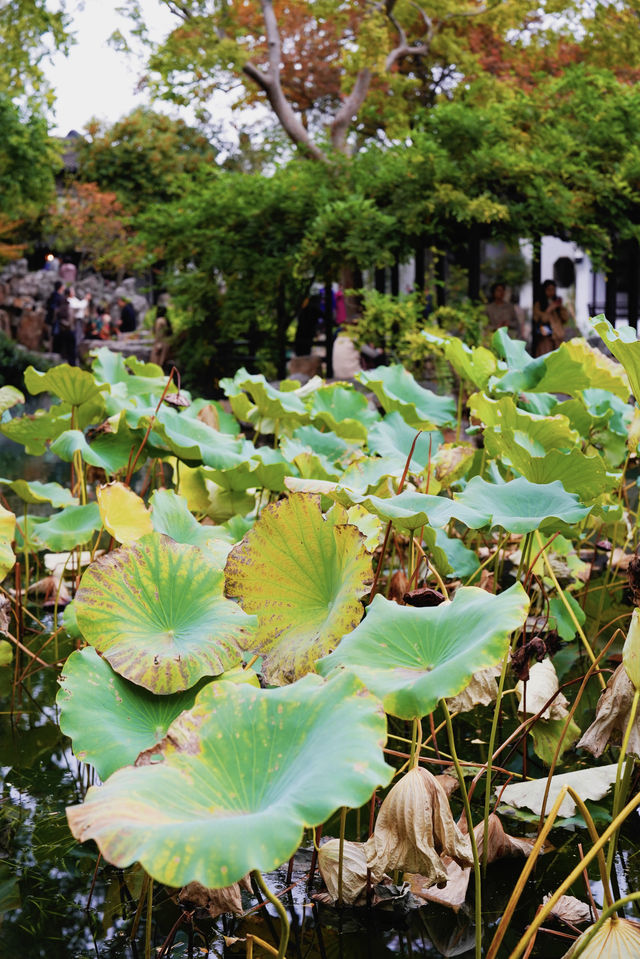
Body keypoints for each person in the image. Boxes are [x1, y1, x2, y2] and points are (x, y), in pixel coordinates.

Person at [532, 279, 570, 356]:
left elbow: (565, 319)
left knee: (558, 362)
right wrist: (549, 309)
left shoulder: (557, 304)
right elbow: (541, 319)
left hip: (558, 338)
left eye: (553, 289)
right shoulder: (538, 304)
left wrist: (560, 307)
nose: (551, 292)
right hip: (545, 339)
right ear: (544, 290)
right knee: (546, 361)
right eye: (549, 289)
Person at [150, 305, 173, 369]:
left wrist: (158, 345)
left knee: (157, 365)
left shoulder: (159, 321)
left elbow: (159, 335)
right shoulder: (165, 320)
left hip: (160, 344)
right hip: (165, 343)